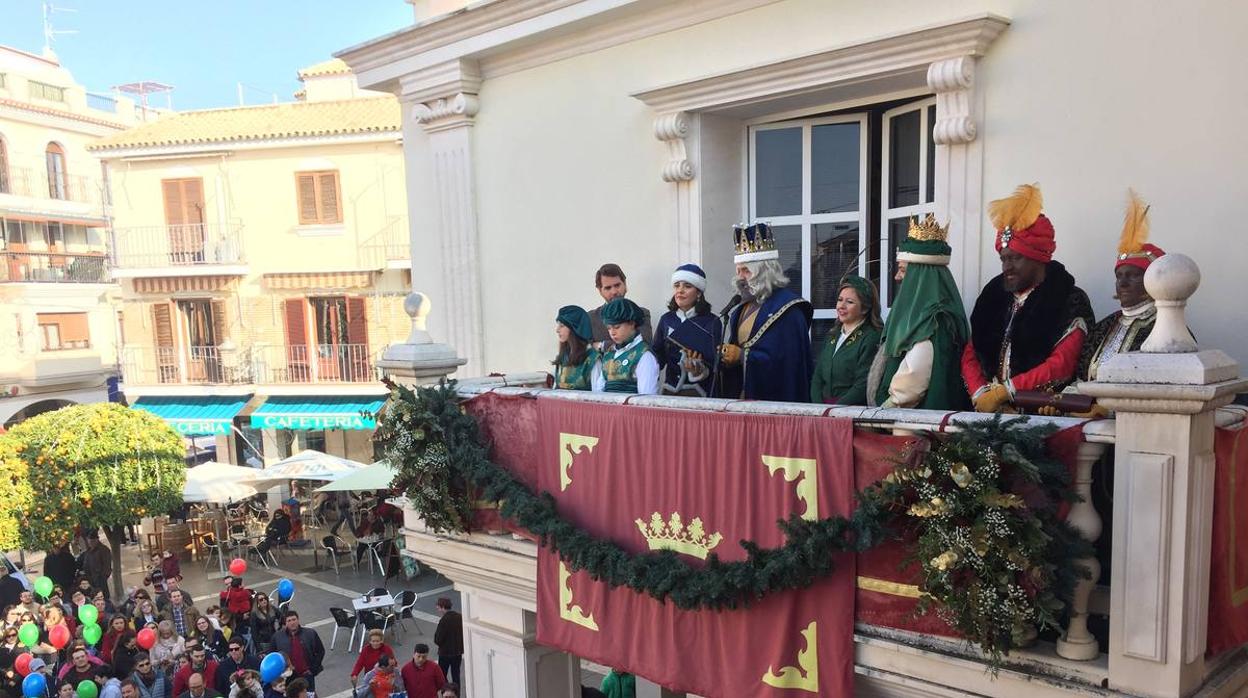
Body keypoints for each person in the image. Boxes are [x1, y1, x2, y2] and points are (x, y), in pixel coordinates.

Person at [962, 184, 1095, 412]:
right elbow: (971, 354)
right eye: (1003, 259)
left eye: (1015, 258)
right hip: (987, 410)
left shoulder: (1068, 299)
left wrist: (1007, 392)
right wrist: (983, 394)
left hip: (1040, 414)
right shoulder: (994, 297)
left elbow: (1061, 364)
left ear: (1037, 258)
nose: (1007, 267)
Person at [1069, 190, 1166, 415]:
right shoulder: (1105, 326)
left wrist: (1109, 410)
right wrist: (1065, 402)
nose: (1122, 282)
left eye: (1133, 275)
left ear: (1153, 281)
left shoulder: (1164, 329)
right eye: (1119, 275)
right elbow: (1081, 378)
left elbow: (1160, 392)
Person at [867, 215, 971, 410]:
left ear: (921, 275)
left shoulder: (935, 319)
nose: (897, 277)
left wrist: (884, 410)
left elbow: (912, 382)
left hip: (915, 426)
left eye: (903, 270)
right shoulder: (917, 313)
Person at [716, 223, 814, 401]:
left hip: (775, 407)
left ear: (765, 272)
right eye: (738, 270)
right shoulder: (740, 309)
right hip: (741, 400)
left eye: (746, 271)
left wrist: (742, 357)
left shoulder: (789, 310)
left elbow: (788, 365)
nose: (740, 277)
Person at [651, 264, 722, 397]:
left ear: (699, 293)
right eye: (677, 285)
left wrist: (698, 371)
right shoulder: (667, 319)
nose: (680, 290)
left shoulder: (712, 322)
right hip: (670, 391)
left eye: (687, 286)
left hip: (700, 393)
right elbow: (657, 356)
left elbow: (715, 365)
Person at [810, 275, 882, 405]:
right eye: (840, 300)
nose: (841, 306)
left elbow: (863, 384)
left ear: (865, 308)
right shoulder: (833, 334)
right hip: (823, 412)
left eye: (849, 302)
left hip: (852, 414)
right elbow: (818, 377)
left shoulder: (871, 337)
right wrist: (819, 407)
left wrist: (835, 411)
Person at [589, 298, 659, 394]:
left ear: (632, 323)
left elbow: (646, 398)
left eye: (617, 327)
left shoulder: (644, 356)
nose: (612, 333)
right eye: (609, 328)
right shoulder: (609, 353)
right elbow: (598, 391)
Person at [587, 263, 653, 349]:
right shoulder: (590, 318)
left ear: (625, 284)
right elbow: (585, 349)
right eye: (608, 288)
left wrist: (601, 345)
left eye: (617, 285)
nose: (614, 291)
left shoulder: (641, 313)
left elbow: (643, 343)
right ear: (600, 290)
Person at [270, 613, 323, 692]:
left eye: (294, 619)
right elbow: (273, 656)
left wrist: (313, 669)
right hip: (289, 677)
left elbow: (320, 651)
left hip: (307, 675)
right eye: (289, 620)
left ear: (298, 620)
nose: (292, 622)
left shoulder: (310, 633)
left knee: (309, 695)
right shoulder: (277, 637)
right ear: (286, 623)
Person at [552, 306, 599, 391]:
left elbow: (598, 393)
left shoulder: (592, 359)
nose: (557, 330)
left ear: (575, 329)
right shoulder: (562, 358)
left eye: (562, 326)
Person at [432, 598, 462, 689]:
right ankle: (456, 693)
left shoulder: (444, 620)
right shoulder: (459, 617)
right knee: (456, 675)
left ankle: (447, 691)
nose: (438, 609)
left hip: (445, 653)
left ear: (442, 607)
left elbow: (438, 639)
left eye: (438, 607)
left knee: (442, 675)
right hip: (457, 652)